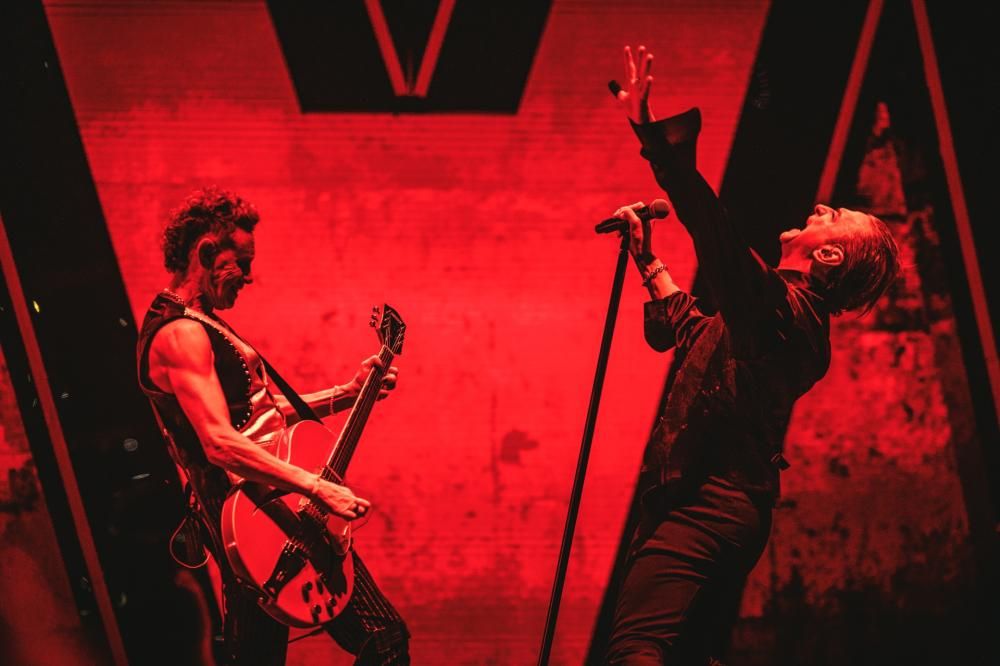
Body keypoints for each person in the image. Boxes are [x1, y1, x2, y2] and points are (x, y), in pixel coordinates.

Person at [604, 46, 900, 664]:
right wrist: (647, 259)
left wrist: (660, 146)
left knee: (636, 649)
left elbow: (715, 234)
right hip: (723, 507)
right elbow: (696, 337)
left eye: (835, 217)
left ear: (828, 255)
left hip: (704, 504)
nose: (822, 208)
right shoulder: (781, 318)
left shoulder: (782, 312)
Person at [136, 187, 409, 665]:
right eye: (240, 263)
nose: (248, 277)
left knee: (370, 641)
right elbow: (220, 443)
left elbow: (256, 415)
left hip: (276, 514)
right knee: (383, 640)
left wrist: (346, 393)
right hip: (255, 522)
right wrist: (317, 487)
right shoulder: (180, 334)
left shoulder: (203, 322)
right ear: (206, 252)